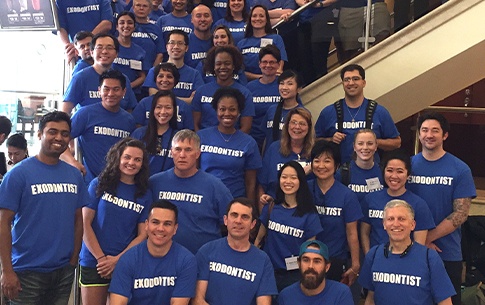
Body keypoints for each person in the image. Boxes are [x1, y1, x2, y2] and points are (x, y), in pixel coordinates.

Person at [0, 111, 88, 305]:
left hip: (63, 271)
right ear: (40, 134)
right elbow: (3, 223)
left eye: (65, 134)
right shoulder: (17, 174)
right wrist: (6, 270)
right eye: (52, 132)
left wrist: (73, 260)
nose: (59, 137)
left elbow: (77, 220)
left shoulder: (74, 176)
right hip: (26, 271)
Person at [407, 112, 476, 305]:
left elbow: (460, 214)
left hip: (446, 252)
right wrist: (417, 243)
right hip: (408, 249)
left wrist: (427, 238)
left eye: (435, 131)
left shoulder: (460, 169)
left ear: (444, 135)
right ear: (419, 134)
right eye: (425, 130)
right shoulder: (407, 166)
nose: (429, 135)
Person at [79, 138, 152, 305]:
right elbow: (84, 223)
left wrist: (117, 260)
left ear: (142, 164)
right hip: (94, 261)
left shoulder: (145, 193)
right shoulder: (99, 184)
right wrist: (102, 259)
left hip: (124, 263)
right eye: (127, 157)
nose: (131, 163)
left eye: (137, 159)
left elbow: (143, 234)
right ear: (117, 157)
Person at [148, 129, 233, 253]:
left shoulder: (215, 186)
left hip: (202, 259)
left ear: (198, 153)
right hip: (162, 258)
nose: (182, 155)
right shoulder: (155, 183)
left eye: (188, 150)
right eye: (178, 149)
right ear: (171, 152)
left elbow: (230, 225)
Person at [359, 200, 456, 305]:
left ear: (412, 225)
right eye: (391, 219)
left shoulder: (429, 258)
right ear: (384, 224)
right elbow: (370, 298)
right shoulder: (374, 255)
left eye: (401, 219)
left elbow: (445, 302)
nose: (396, 224)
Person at [109, 199, 197, 305]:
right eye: (155, 222)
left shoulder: (187, 261)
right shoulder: (128, 259)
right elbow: (117, 302)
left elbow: (179, 303)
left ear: (175, 228)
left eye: (167, 224)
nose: (160, 228)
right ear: (146, 225)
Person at [193, 197, 278, 305]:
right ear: (225, 220)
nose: (238, 221)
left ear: (252, 224)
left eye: (245, 217)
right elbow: (197, 300)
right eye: (234, 215)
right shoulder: (207, 251)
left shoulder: (263, 260)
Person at [255, 161, 323, 292]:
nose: (288, 181)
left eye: (293, 177)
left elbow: (309, 252)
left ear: (301, 181)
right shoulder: (271, 207)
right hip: (268, 272)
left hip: (294, 277)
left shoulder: (309, 215)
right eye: (284, 177)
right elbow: (258, 240)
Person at [315, 64, 401, 164]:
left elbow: (396, 143)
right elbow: (313, 142)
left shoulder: (379, 111)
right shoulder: (328, 112)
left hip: (370, 173)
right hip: (337, 174)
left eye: (355, 79)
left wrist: (373, 142)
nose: (351, 83)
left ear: (364, 83)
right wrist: (330, 140)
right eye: (347, 80)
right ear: (342, 83)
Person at [61, 70, 136, 183]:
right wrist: (73, 162)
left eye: (116, 89)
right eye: (106, 89)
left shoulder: (129, 120)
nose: (110, 94)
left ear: (124, 92)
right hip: (89, 182)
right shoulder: (85, 114)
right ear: (99, 91)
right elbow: (60, 140)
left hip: (117, 182)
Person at [307, 140, 362, 286]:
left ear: (336, 165)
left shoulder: (347, 195)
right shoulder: (304, 190)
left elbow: (352, 233)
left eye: (327, 161)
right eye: (316, 161)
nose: (321, 166)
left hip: (335, 259)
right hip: (307, 259)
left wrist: (355, 264)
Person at [361, 149, 435, 254]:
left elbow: (419, 244)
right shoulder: (370, 199)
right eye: (390, 170)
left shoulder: (419, 204)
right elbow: (364, 233)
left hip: (406, 263)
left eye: (400, 171)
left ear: (408, 174)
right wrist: (369, 256)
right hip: (376, 261)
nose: (394, 176)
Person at [197, 87, 261, 199]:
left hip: (234, 202)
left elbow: (250, 183)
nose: (227, 113)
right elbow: (193, 171)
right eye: (222, 109)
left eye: (232, 109)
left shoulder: (249, 143)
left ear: (239, 112)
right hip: (204, 198)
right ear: (216, 110)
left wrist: (250, 208)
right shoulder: (201, 137)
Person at [62, 33, 138, 114]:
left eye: (109, 48)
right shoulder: (80, 77)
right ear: (91, 52)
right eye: (99, 47)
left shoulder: (124, 79)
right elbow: (65, 109)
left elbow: (129, 111)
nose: (104, 51)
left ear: (116, 54)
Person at [192, 45, 254, 134]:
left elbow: (246, 127)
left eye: (227, 63)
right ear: (213, 66)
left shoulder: (245, 93)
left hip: (233, 144)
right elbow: (195, 124)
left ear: (233, 66)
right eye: (218, 64)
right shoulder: (201, 91)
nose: (222, 67)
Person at [258, 108, 314, 203]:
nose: (297, 127)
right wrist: (264, 210)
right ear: (287, 126)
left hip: (306, 208)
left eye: (302, 124)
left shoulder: (316, 152)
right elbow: (261, 185)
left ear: (309, 128)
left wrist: (312, 166)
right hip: (275, 206)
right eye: (293, 122)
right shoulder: (274, 148)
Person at [278, 240, 354, 305]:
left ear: (327, 267)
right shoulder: (286, 296)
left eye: (317, 261)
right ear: (299, 264)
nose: (310, 266)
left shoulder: (341, 294)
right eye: (306, 260)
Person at [143, 30, 204, 103]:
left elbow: (196, 100)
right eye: (172, 43)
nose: (176, 47)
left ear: (186, 48)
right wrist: (185, 100)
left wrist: (165, 97)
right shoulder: (154, 70)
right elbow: (153, 96)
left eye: (180, 43)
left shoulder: (194, 74)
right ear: (167, 47)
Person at [133, 62, 194, 130]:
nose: (164, 80)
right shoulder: (144, 103)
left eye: (169, 77)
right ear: (155, 79)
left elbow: (188, 132)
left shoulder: (183, 106)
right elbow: (137, 126)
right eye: (161, 76)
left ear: (175, 81)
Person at [131, 90, 179, 175]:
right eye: (159, 107)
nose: (163, 112)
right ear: (153, 109)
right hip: (140, 183)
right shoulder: (139, 133)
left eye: (168, 107)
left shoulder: (179, 137)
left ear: (174, 110)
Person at [237, 5, 287, 81]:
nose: (257, 19)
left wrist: (267, 78)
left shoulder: (276, 39)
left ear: (267, 19)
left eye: (261, 16)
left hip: (272, 82)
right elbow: (240, 71)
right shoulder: (241, 44)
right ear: (250, 19)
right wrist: (259, 77)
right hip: (248, 84)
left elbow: (279, 68)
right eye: (254, 16)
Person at [247, 44, 281, 149]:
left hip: (278, 140)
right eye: (264, 62)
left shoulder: (284, 87)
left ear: (278, 65)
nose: (268, 65)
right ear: (259, 64)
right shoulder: (249, 88)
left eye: (272, 62)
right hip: (254, 140)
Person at [262, 69, 305, 149]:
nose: (284, 87)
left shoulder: (302, 113)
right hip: (270, 156)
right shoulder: (272, 109)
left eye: (290, 84)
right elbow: (265, 137)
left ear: (298, 89)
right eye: (282, 83)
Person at [337, 129, 383, 202]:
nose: (365, 147)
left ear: (376, 146)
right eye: (360, 143)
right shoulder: (343, 173)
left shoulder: (383, 172)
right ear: (354, 146)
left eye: (370, 143)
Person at [113, 11, 150, 101]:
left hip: (132, 95)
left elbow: (142, 76)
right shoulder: (109, 46)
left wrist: (127, 88)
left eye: (129, 23)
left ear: (134, 27)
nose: (126, 26)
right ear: (117, 27)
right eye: (122, 23)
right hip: (110, 94)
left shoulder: (140, 52)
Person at [131, 0, 165, 67]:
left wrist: (152, 73)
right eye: (138, 5)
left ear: (150, 9)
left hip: (149, 69)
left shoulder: (156, 29)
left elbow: (160, 54)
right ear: (133, 7)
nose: (141, 8)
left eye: (145, 6)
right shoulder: (127, 27)